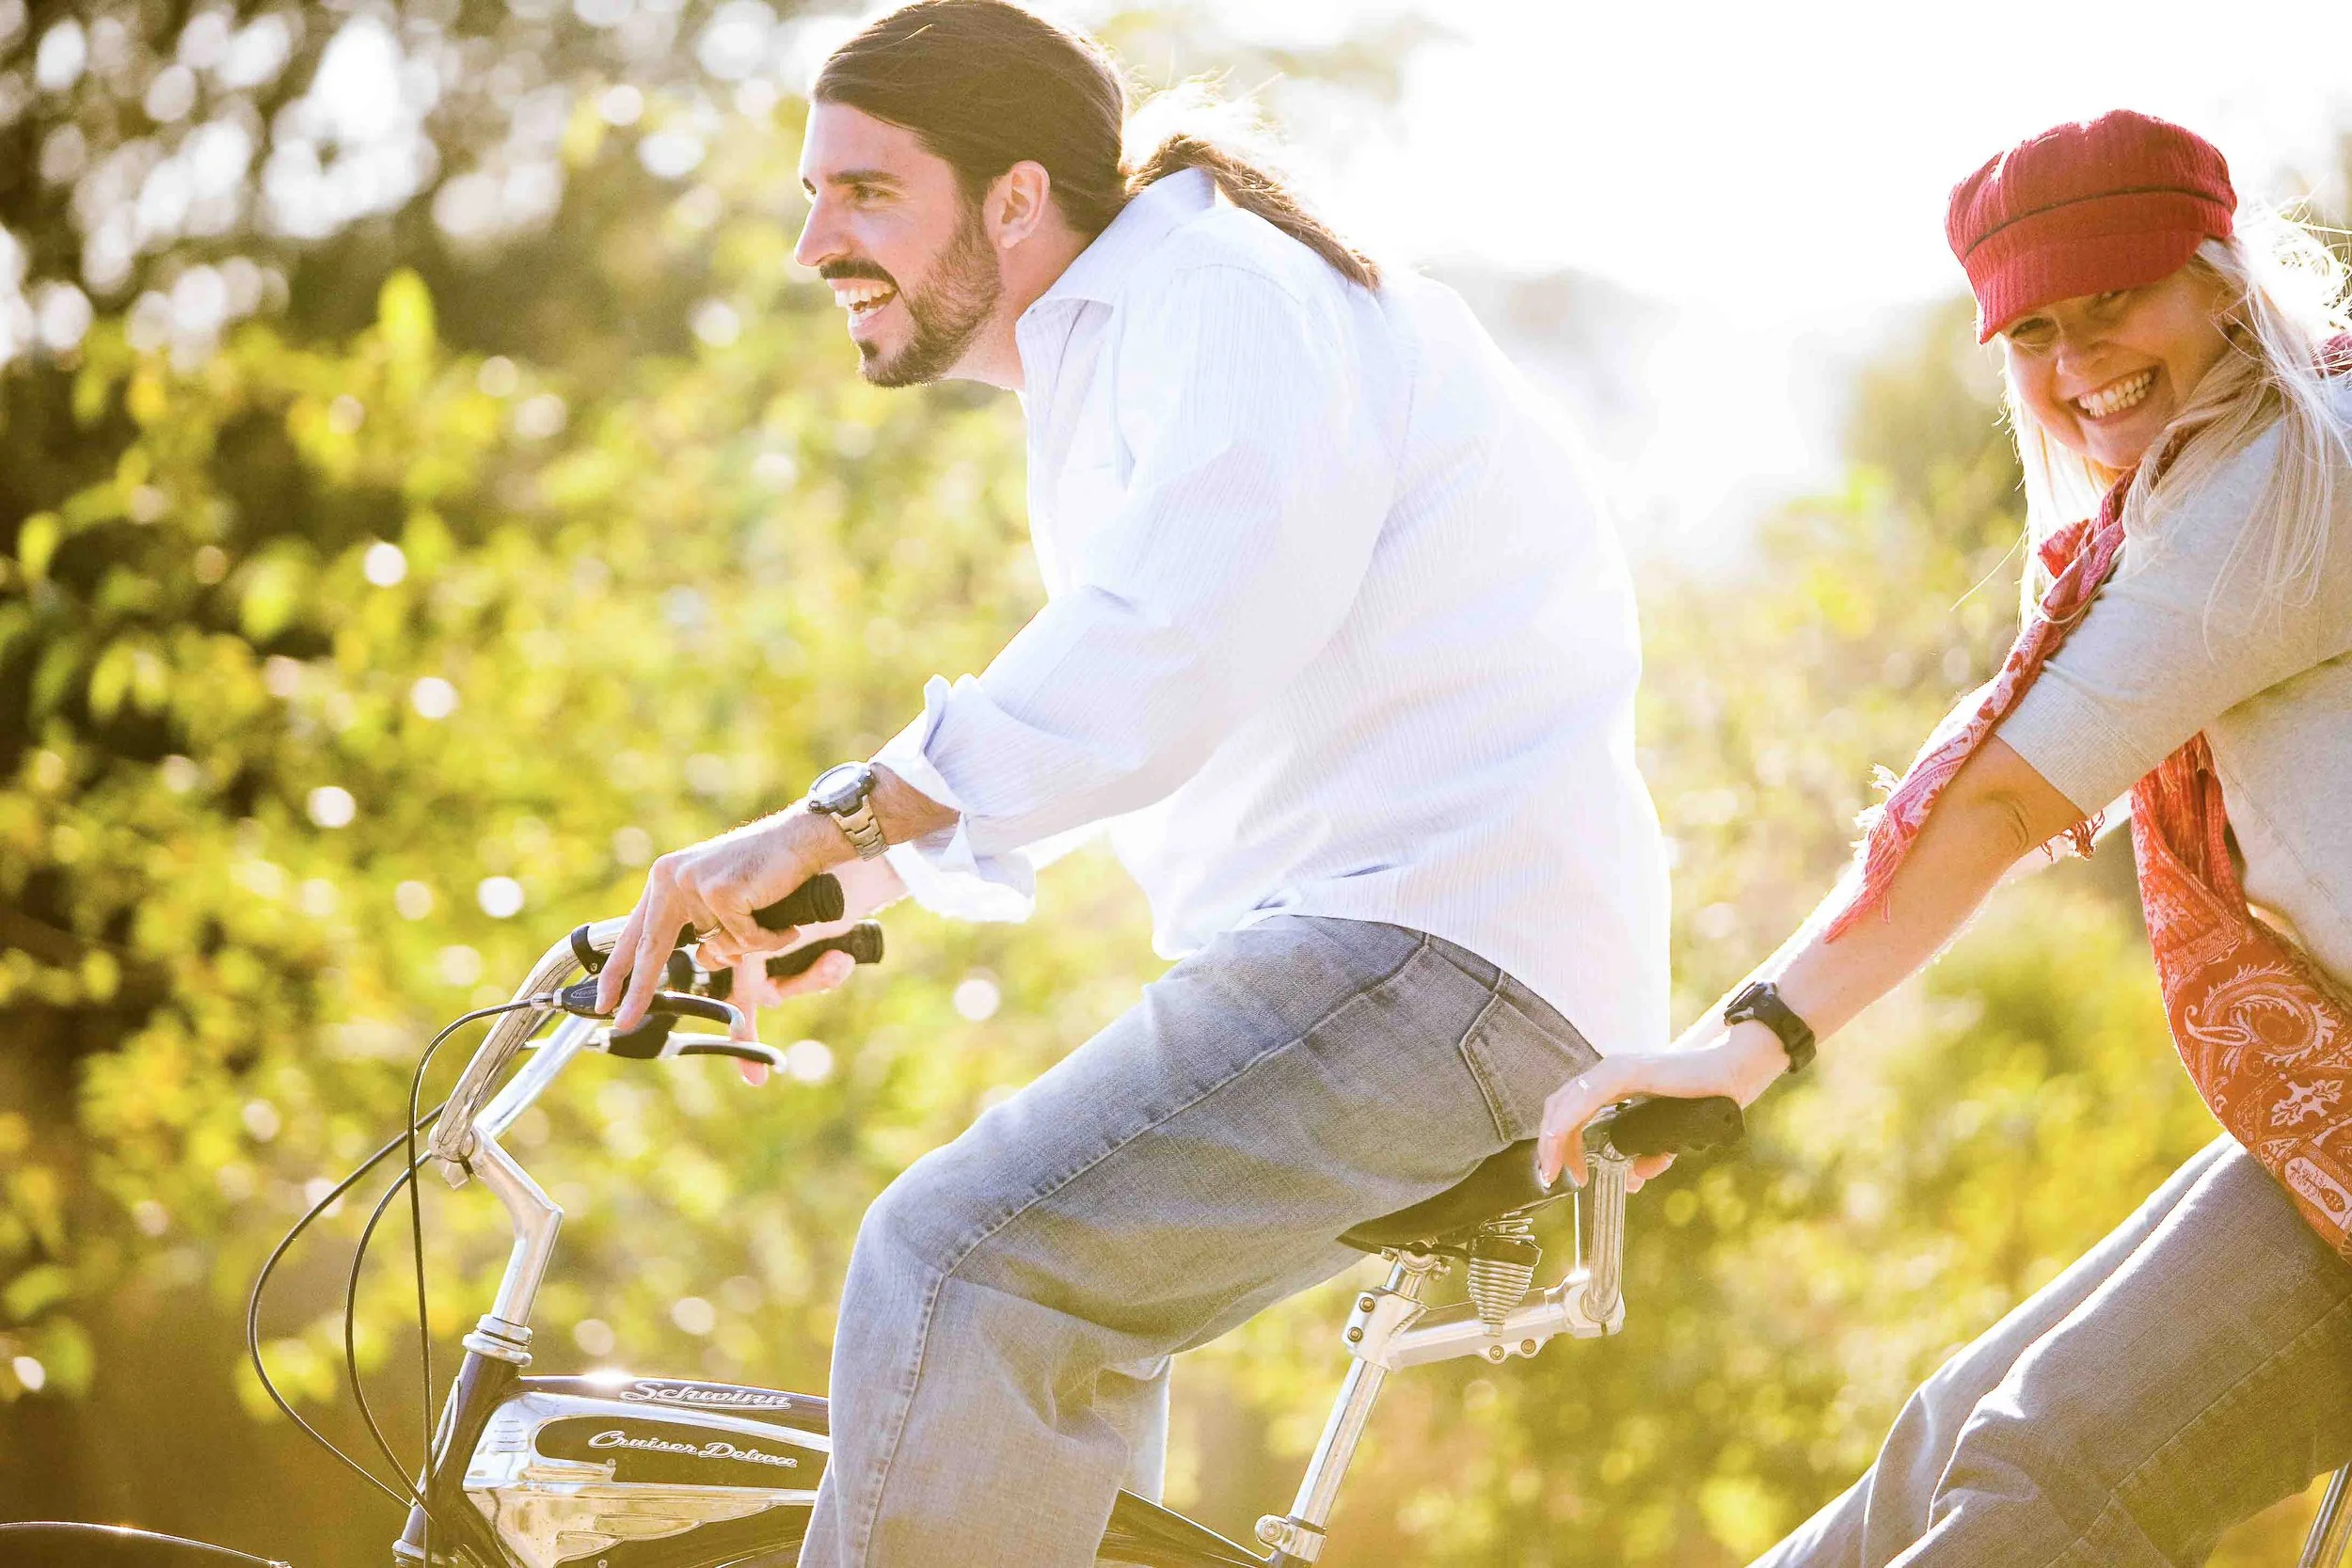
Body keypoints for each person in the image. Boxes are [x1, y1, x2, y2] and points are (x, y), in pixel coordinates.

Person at [591, 3, 1671, 1562]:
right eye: (812, 194)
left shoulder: (1221, 295)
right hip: (1412, 956)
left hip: (1431, 954)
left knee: (959, 1264)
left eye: (866, 192)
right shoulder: (1146, 331)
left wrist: (838, 818)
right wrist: (837, 882)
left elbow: (1167, 644)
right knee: (1050, 1330)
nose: (813, 243)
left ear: (1016, 200)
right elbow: (1153, 699)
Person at [1537, 109, 2352, 1564]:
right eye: (2035, 328)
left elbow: (1993, 798)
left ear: (2222, 278)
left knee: (2046, 1476)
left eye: (2118, 298)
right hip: (2335, 1099)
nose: (2079, 359)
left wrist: (1748, 1042)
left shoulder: (2284, 484)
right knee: (1949, 1437)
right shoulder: (2244, 463)